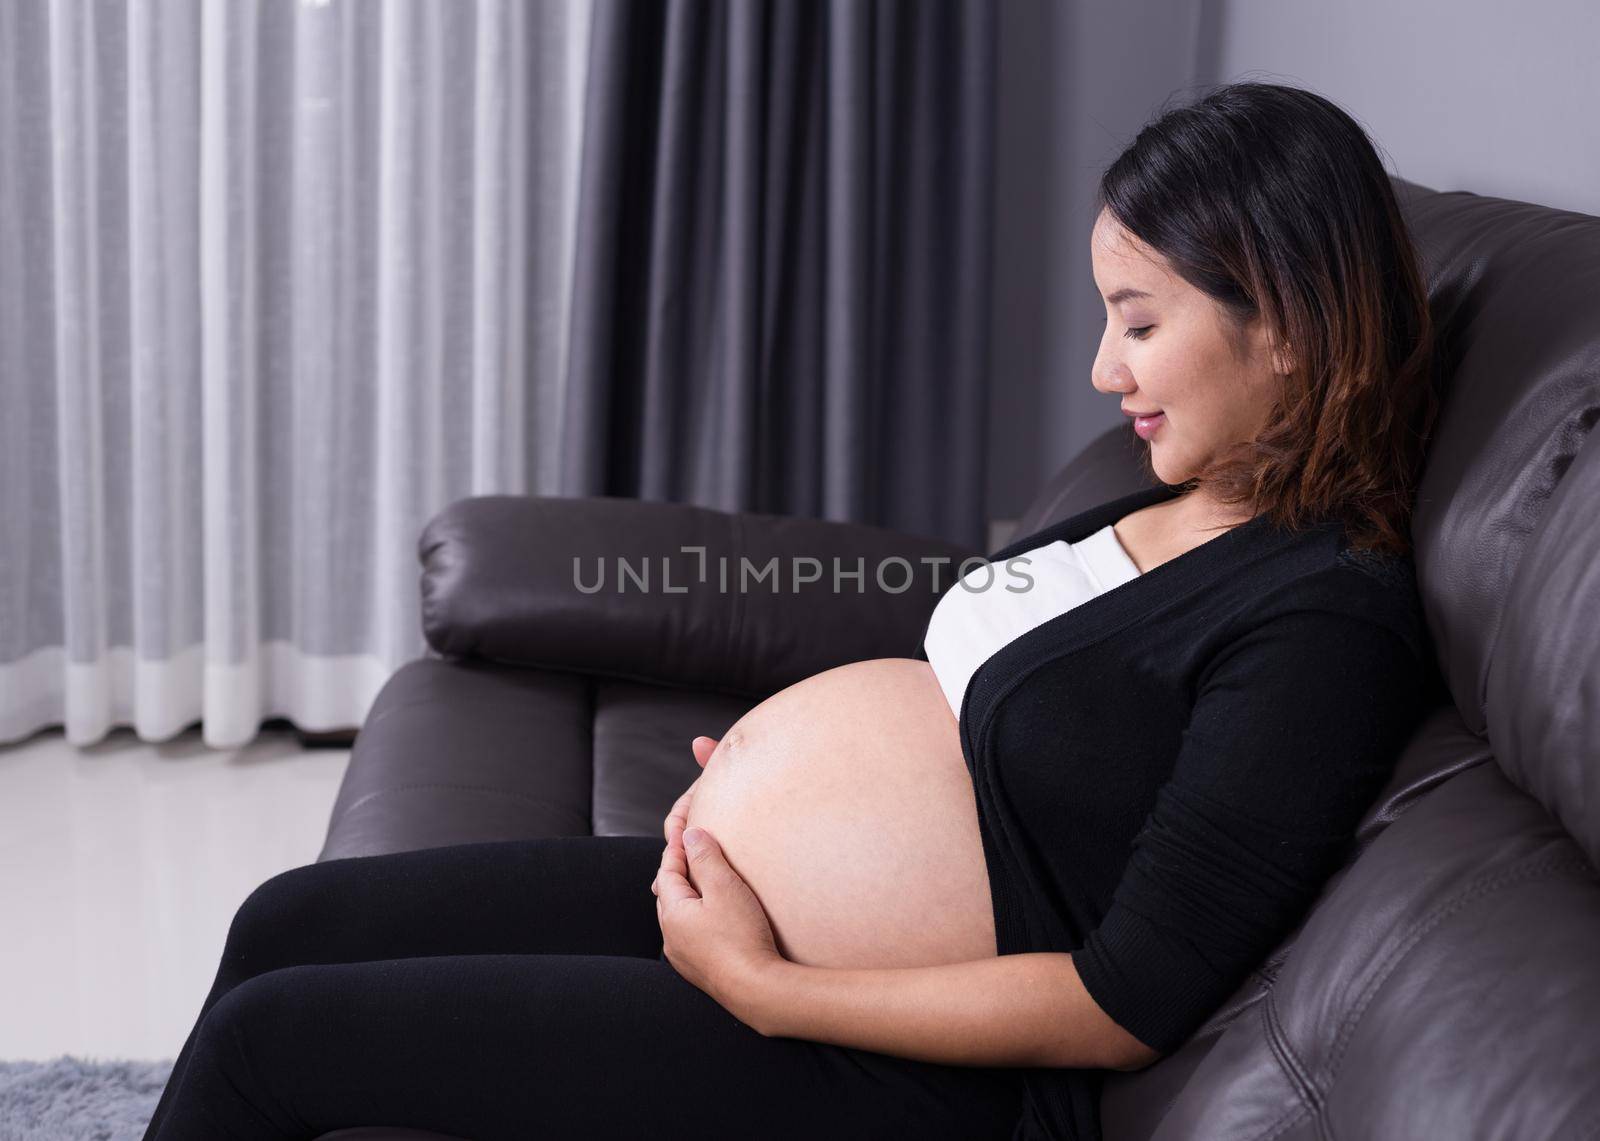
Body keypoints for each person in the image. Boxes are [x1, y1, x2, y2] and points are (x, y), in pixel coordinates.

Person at [142, 80, 1438, 1141]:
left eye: (1138, 323)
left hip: (889, 1063)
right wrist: (769, 786)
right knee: (283, 922)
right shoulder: (1195, 486)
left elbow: (1127, 1001)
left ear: (1283, 324)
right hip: (752, 919)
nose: (1104, 369)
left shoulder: (1322, 620)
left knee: (278, 1044)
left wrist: (770, 985)